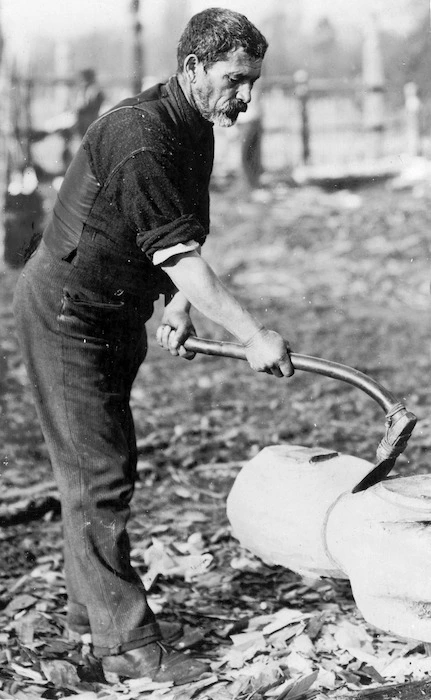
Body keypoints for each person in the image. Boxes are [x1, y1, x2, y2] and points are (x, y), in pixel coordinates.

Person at [13, 7, 294, 686]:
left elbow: (181, 230)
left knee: (103, 471)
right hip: (67, 313)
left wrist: (176, 305)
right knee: (97, 476)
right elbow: (183, 258)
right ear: (193, 66)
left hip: (116, 311)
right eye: (234, 79)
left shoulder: (192, 124)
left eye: (253, 80)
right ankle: (128, 648)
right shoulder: (139, 134)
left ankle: (89, 621)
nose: (246, 95)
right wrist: (253, 333)